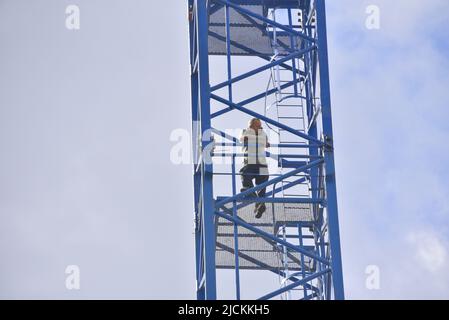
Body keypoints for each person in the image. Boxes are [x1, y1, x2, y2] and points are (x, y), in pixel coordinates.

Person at [239, 118, 270, 219]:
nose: (257, 128)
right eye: (255, 126)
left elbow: (266, 143)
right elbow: (244, 138)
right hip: (254, 162)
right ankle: (257, 201)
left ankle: (258, 201)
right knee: (246, 175)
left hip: (259, 163)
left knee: (261, 183)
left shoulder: (261, 133)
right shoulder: (247, 131)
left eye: (258, 126)